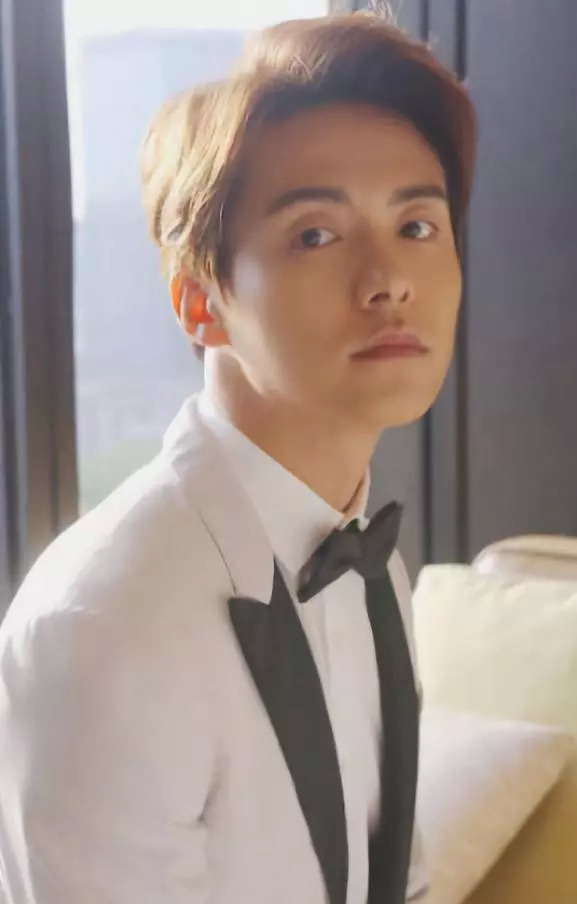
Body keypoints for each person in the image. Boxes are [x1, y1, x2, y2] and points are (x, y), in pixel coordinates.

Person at [0, 11, 476, 904]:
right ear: (199, 302)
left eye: (417, 226)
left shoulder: (370, 561)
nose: (389, 280)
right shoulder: (104, 627)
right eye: (316, 235)